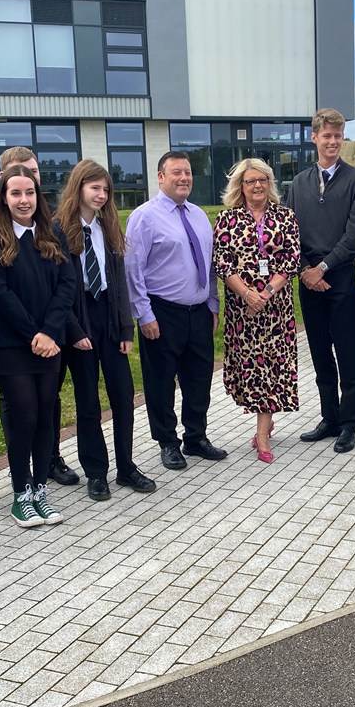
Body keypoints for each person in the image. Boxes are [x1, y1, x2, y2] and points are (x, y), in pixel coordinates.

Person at [0, 147, 82, 489]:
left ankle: (41, 489)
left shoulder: (51, 233)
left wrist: (50, 332)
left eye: (29, 192)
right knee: (24, 417)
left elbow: (67, 284)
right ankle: (21, 491)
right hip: (11, 344)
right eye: (15, 193)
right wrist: (36, 333)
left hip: (49, 343)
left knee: (46, 415)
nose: (23, 200)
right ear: (3, 196)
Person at [55, 160, 155, 499]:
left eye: (105, 190)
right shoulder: (58, 230)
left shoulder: (108, 227)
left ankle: (126, 467)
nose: (101, 195)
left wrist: (126, 329)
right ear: (79, 188)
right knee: (88, 401)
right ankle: (96, 472)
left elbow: (120, 283)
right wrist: (73, 331)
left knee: (123, 395)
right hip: (77, 318)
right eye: (94, 188)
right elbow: (57, 289)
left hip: (109, 318)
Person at [125, 151, 227, 471]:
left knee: (198, 378)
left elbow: (208, 265)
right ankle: (168, 442)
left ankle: (196, 437)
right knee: (161, 380)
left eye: (188, 172)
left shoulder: (197, 215)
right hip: (162, 311)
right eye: (176, 172)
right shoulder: (144, 217)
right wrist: (144, 314)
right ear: (160, 177)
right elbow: (133, 270)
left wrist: (212, 303)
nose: (184, 178)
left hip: (198, 311)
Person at [285, 108, 355, 453]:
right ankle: (329, 417)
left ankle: (350, 423)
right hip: (308, 279)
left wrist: (324, 267)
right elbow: (290, 231)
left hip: (341, 277)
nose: (333, 142)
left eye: (339, 136)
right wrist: (307, 269)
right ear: (314, 137)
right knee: (319, 351)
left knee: (347, 351)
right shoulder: (299, 183)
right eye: (328, 136)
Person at [212, 158, 301, 462]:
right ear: (241, 185)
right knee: (251, 369)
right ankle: (266, 419)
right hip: (242, 312)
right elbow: (221, 262)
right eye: (251, 181)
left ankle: (262, 434)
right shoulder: (227, 219)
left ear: (270, 183)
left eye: (262, 179)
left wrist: (266, 293)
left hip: (277, 309)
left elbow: (291, 258)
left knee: (273, 367)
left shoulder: (285, 216)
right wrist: (249, 294)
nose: (257, 186)